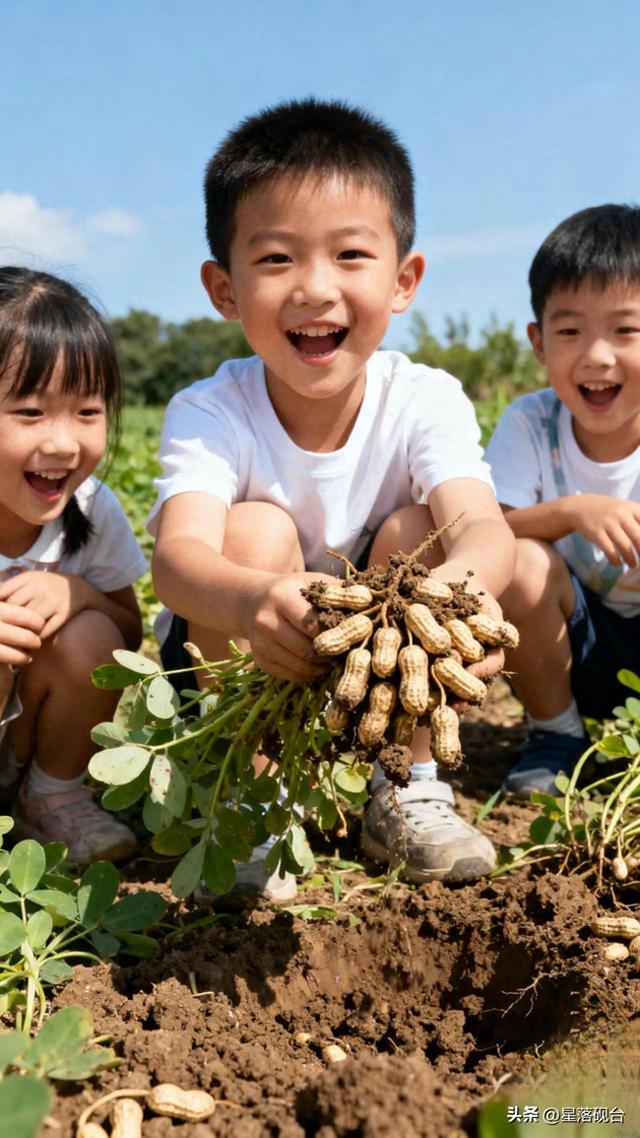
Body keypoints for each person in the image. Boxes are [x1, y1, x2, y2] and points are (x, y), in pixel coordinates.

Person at [149, 98, 516, 897]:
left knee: (428, 530)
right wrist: (252, 602)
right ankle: (252, 792)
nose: (316, 289)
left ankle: (406, 786)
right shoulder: (211, 411)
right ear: (224, 288)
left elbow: (485, 529)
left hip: (380, 679)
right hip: (247, 656)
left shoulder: (425, 397)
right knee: (247, 531)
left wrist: (461, 601)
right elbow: (177, 562)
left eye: (351, 254)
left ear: (404, 281)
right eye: (276, 259)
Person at [486, 203, 640, 797]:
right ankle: (557, 733)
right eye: (571, 330)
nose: (597, 356)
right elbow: (490, 529)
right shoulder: (532, 422)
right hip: (575, 654)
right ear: (538, 342)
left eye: (625, 330)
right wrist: (575, 510)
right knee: (519, 561)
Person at [0, 267, 147, 861]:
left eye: (87, 412)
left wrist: (77, 595)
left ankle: (51, 795)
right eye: (30, 412)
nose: (63, 443)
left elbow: (128, 640)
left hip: (25, 742)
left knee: (91, 636)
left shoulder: (91, 507)